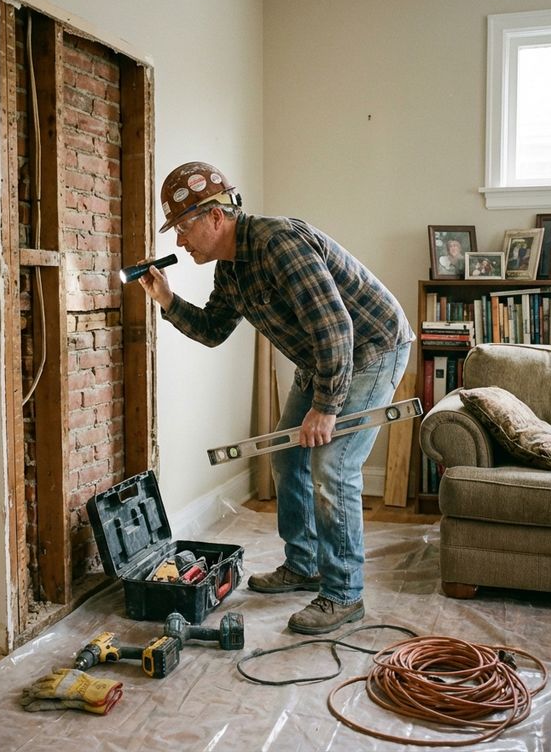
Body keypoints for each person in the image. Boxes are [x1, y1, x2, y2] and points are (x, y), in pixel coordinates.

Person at [139, 161, 414, 635]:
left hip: (371, 348)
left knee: (333, 465)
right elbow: (211, 330)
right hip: (323, 356)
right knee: (288, 460)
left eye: (183, 228)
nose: (179, 242)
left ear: (215, 216)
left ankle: (344, 594)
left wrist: (325, 408)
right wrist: (165, 298)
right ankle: (304, 565)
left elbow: (336, 328)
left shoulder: (278, 243)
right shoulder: (230, 269)